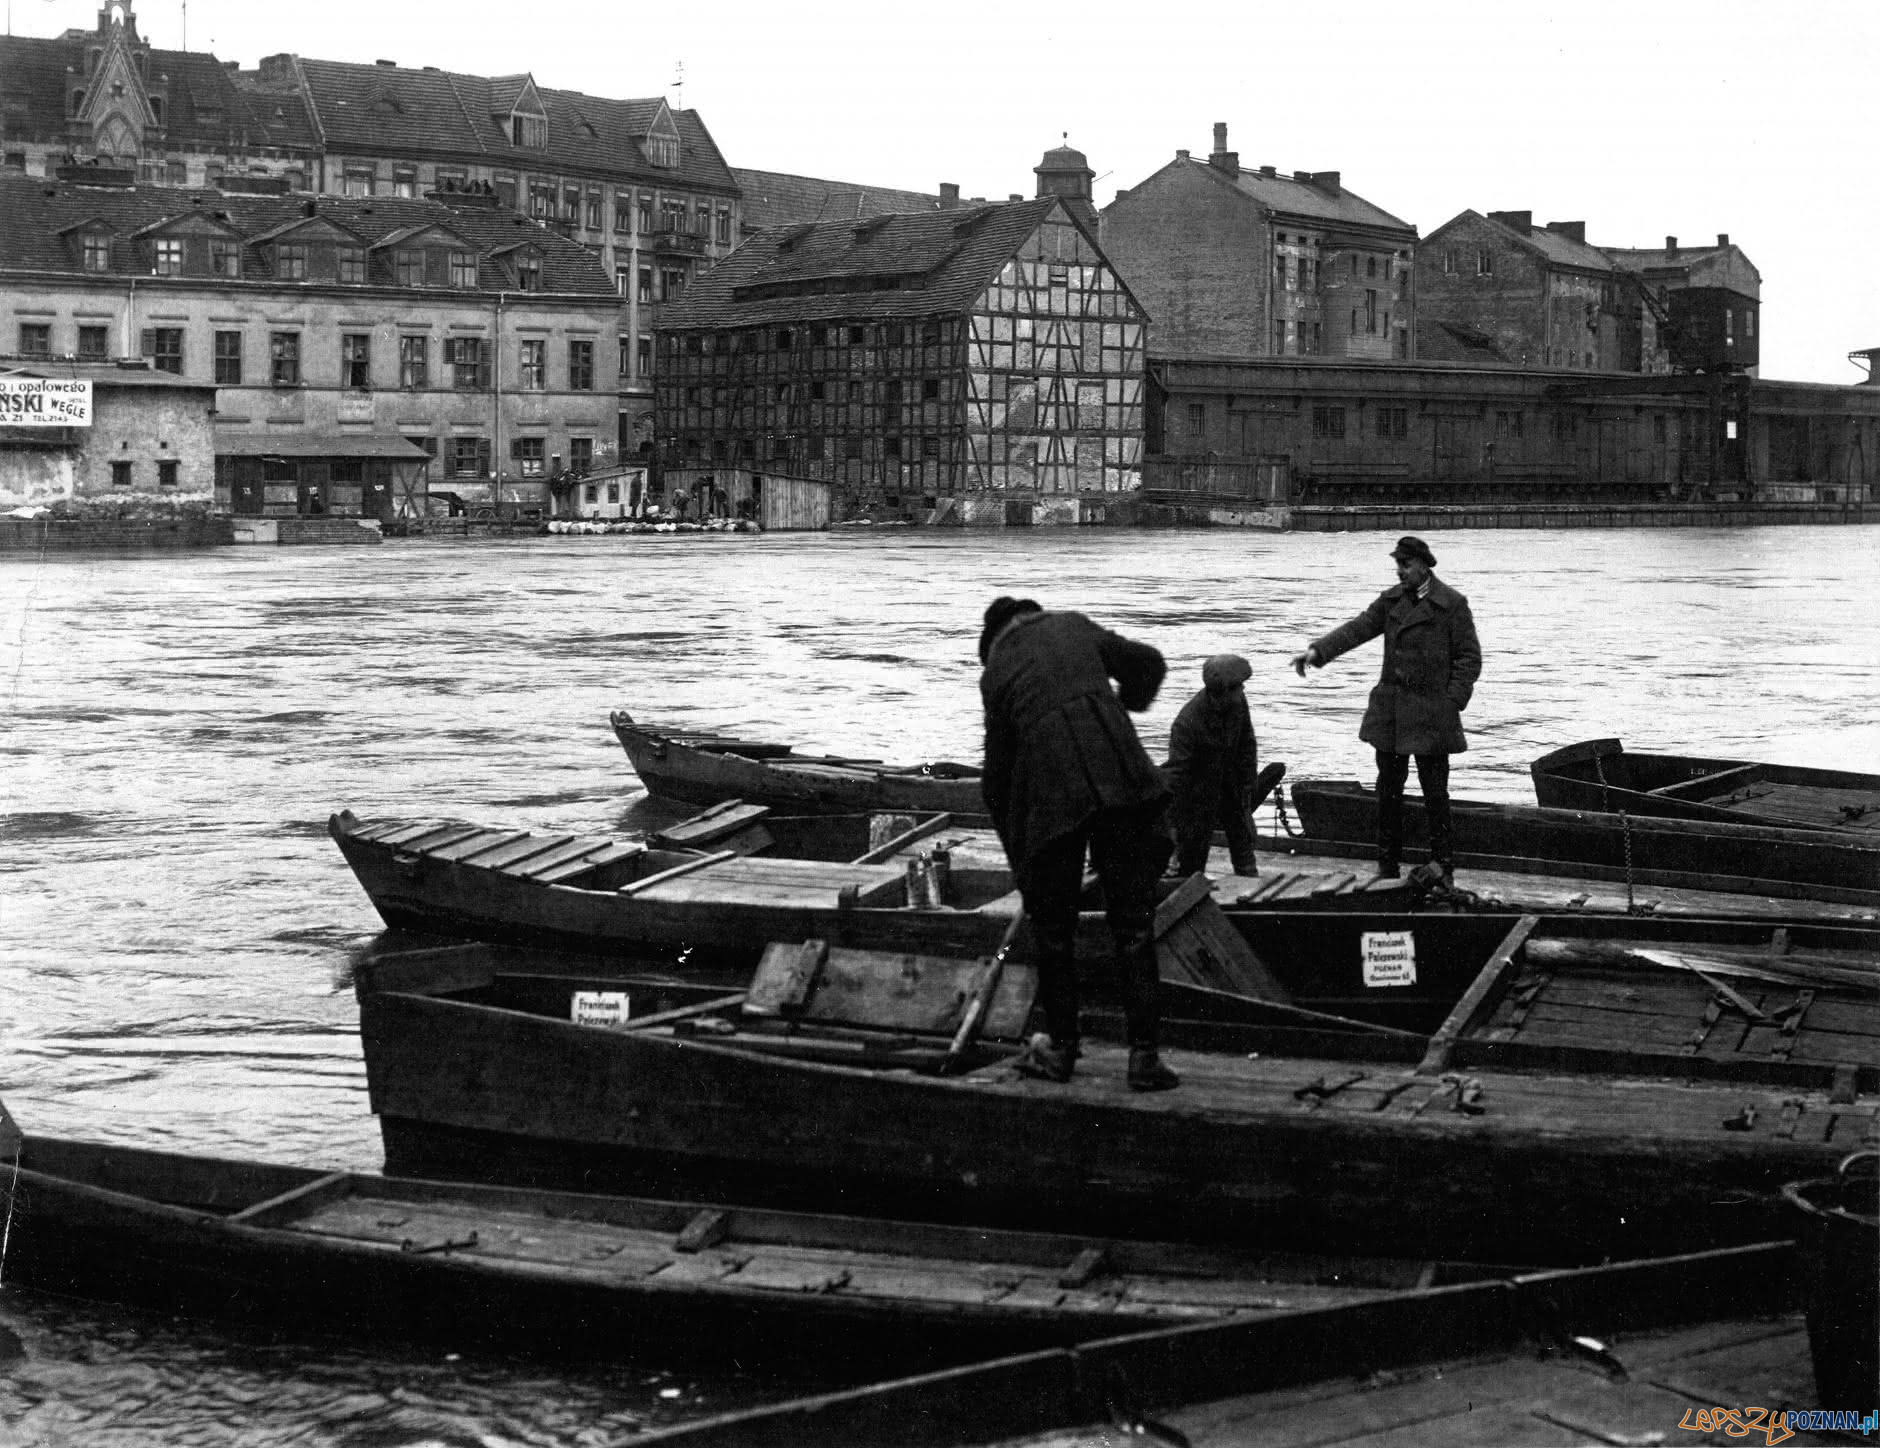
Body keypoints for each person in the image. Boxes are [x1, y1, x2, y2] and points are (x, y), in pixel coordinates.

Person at [978, 596, 1180, 1092]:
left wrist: (1021, 863)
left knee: (1054, 932)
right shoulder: (1073, 625)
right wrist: (1124, 704)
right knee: (1133, 926)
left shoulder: (997, 670)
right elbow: (1149, 663)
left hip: (1052, 799)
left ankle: (1063, 1051)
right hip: (1121, 779)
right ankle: (1145, 1059)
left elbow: (997, 781)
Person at [1289, 537, 1482, 882]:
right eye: (1398, 564)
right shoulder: (1391, 600)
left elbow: (1469, 659)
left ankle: (1444, 866)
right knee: (1388, 792)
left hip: (1432, 718)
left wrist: (1451, 702)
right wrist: (1317, 653)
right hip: (1391, 716)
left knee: (1435, 795)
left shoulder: (1452, 605)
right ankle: (1387, 866)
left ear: (1424, 566)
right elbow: (1358, 628)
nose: (1400, 571)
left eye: (1406, 565)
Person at [1164, 654, 1260, 879]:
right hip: (1198, 794)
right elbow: (1176, 773)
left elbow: (1247, 744)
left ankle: (1249, 883)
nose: (1243, 691)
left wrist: (1248, 784)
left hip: (1231, 784)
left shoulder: (1238, 703)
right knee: (1192, 861)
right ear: (1223, 692)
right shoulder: (1187, 723)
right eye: (1238, 687)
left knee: (1243, 842)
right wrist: (1171, 822)